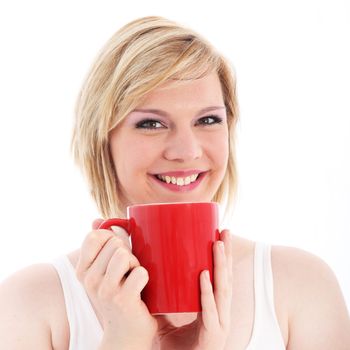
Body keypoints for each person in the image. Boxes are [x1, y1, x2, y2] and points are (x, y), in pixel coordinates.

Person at [0, 16, 349, 350]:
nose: (187, 150)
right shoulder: (28, 303)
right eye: (151, 124)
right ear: (102, 138)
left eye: (208, 119)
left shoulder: (302, 285)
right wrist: (124, 342)